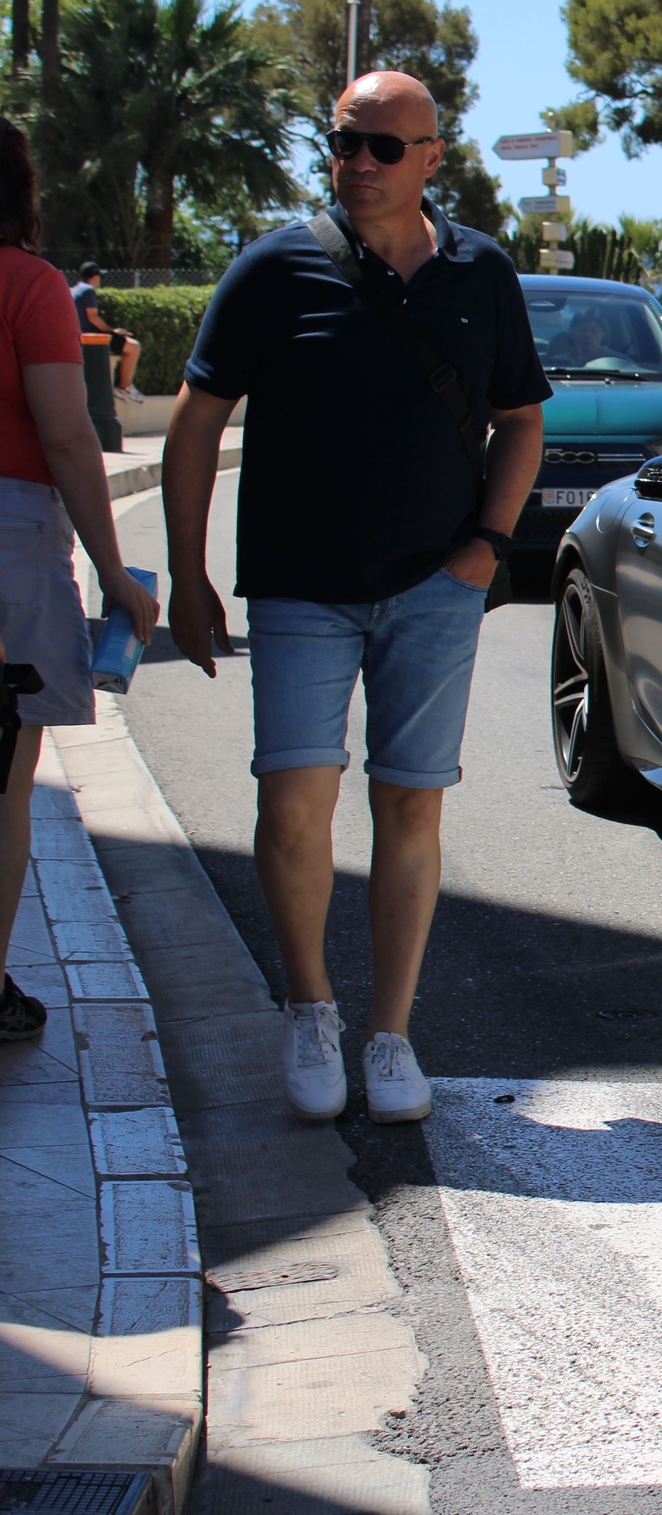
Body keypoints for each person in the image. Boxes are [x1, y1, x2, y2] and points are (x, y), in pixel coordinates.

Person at [163, 71, 548, 1124]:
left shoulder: (481, 274)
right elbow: (196, 421)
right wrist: (187, 570)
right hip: (299, 586)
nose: (360, 163)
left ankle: (389, 1034)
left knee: (408, 805)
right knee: (293, 802)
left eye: (385, 146)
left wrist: (488, 544)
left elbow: (520, 416)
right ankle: (309, 1009)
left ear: (433, 157)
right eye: (345, 142)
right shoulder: (276, 268)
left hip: (434, 586)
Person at [0, 127, 159, 1041]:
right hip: (11, 540)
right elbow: (66, 433)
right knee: (8, 785)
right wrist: (110, 569)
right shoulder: (30, 287)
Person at [70, 261, 143, 401]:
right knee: (134, 347)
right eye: (99, 276)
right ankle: (124, 388)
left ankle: (124, 387)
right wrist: (113, 332)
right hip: (92, 339)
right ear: (93, 277)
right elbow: (93, 317)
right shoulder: (88, 290)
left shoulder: (76, 289)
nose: (100, 280)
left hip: (80, 336)